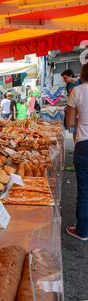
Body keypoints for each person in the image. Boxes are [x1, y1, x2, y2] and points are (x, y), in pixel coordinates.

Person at [65, 63, 88, 241]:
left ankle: (82, 230)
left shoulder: (77, 91)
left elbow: (70, 123)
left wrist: (80, 116)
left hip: (84, 144)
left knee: (84, 190)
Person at [61, 69, 81, 143]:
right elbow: (70, 97)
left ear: (71, 76)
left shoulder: (80, 82)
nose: (64, 80)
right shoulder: (69, 85)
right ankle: (76, 146)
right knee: (74, 130)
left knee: (80, 130)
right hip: (73, 110)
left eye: (65, 78)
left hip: (80, 109)